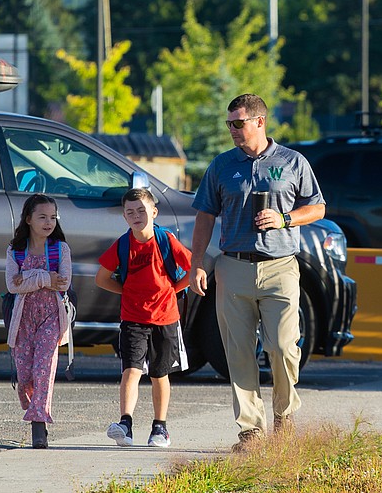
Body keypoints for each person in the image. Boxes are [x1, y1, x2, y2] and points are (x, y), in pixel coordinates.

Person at [190, 93, 326, 452]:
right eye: (229, 124)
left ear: (259, 122)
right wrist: (197, 263)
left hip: (280, 267)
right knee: (237, 351)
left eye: (238, 123)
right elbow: (205, 215)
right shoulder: (221, 166)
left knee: (281, 347)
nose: (233, 130)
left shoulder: (293, 161)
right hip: (232, 266)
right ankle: (250, 431)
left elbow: (317, 207)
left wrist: (284, 219)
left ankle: (284, 414)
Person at [95, 187, 193, 448]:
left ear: (154, 211)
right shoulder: (123, 244)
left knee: (160, 374)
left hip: (165, 317)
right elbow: (102, 278)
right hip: (133, 317)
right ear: (124, 217)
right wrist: (126, 290)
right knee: (131, 370)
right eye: (130, 212)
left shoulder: (166, 240)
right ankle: (125, 424)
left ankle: (160, 428)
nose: (136, 215)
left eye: (141, 210)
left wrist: (174, 289)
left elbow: (193, 267)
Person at [4, 193, 72, 449]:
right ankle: (34, 408)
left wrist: (29, 278)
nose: (48, 222)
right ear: (29, 219)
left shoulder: (60, 249)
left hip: (51, 317)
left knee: (43, 369)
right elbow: (12, 285)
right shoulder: (15, 250)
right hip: (23, 319)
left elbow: (63, 282)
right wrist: (45, 277)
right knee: (25, 378)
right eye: (42, 216)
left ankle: (39, 426)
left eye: (53, 217)